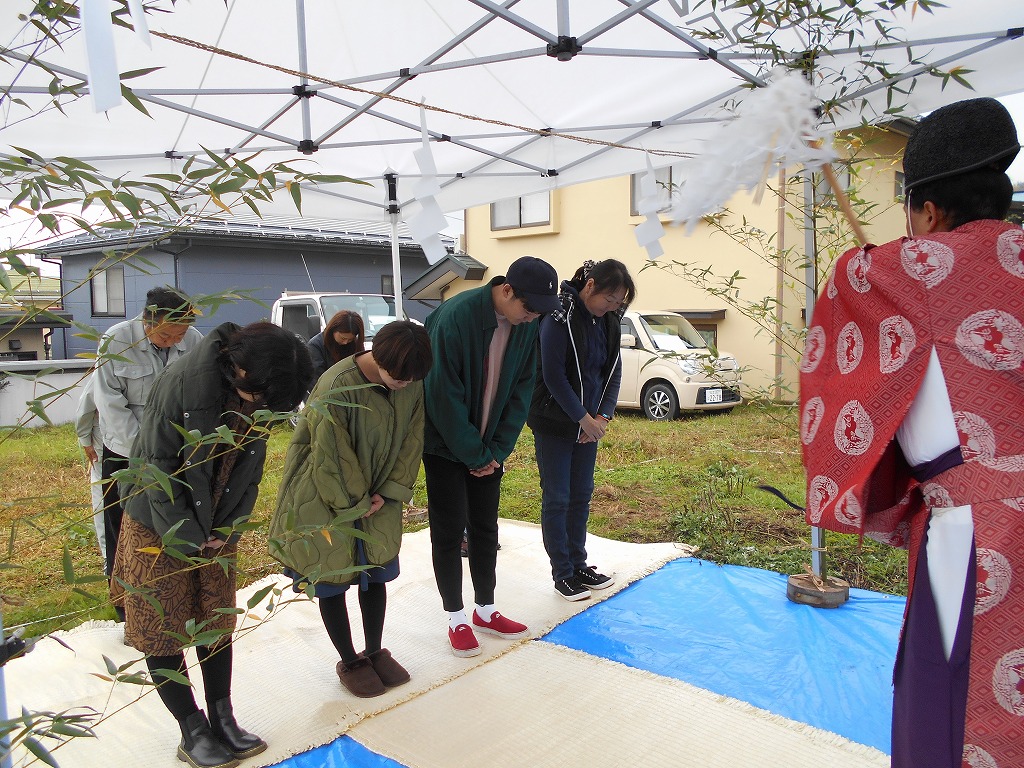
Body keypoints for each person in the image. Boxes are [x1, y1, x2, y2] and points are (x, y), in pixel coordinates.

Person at [798, 97, 1023, 768]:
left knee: (958, 706)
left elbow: (842, 329)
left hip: (978, 529)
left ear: (926, 212)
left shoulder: (913, 268)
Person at [111, 321, 313, 768]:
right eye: (259, 398)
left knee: (215, 621)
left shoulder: (259, 391)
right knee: (161, 629)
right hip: (159, 524)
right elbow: (153, 465)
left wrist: (229, 528)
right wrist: (186, 534)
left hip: (218, 523)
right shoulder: (181, 381)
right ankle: (192, 727)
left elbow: (251, 469)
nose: (261, 407)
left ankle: (223, 716)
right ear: (238, 369)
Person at [269, 320, 433, 698]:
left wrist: (390, 491)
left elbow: (413, 436)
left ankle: (374, 649)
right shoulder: (336, 384)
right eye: (399, 377)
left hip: (379, 496)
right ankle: (350, 658)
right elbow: (331, 456)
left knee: (375, 571)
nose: (405, 385)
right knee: (333, 577)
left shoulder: (410, 379)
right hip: (326, 498)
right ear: (380, 356)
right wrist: (356, 502)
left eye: (412, 379)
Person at [423, 255, 561, 657]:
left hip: (488, 451)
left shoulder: (525, 326)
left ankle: (485, 609)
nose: (533, 318)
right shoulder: (455, 317)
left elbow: (522, 391)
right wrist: (472, 453)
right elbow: (440, 394)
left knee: (485, 530)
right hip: (445, 447)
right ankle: (456, 617)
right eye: (529, 308)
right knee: (448, 534)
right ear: (505, 291)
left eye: (540, 312)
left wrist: (496, 451)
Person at [528, 259, 636, 601]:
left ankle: (579, 562)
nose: (613, 307)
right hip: (556, 422)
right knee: (558, 497)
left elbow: (613, 372)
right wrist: (581, 417)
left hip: (591, 424)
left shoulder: (609, 322)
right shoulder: (559, 317)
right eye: (611, 299)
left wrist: (601, 417)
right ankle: (562, 572)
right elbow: (553, 375)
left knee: (581, 495)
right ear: (590, 287)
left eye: (619, 303)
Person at [90, 286, 203, 592]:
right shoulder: (116, 340)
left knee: (170, 513)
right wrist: (144, 450)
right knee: (122, 520)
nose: (175, 342)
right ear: (148, 322)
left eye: (180, 335)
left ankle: (168, 585)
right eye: (167, 336)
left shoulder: (194, 341)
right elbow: (109, 402)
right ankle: (122, 594)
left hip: (174, 448)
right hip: (125, 449)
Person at [74, 377, 107, 562]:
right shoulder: (106, 369)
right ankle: (108, 562)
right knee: (104, 499)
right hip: (103, 444)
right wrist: (86, 441)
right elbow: (85, 409)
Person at [307, 310, 365, 380]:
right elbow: (316, 376)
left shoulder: (354, 344)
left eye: (350, 339)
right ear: (333, 329)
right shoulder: (315, 345)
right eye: (343, 338)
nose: (345, 342)